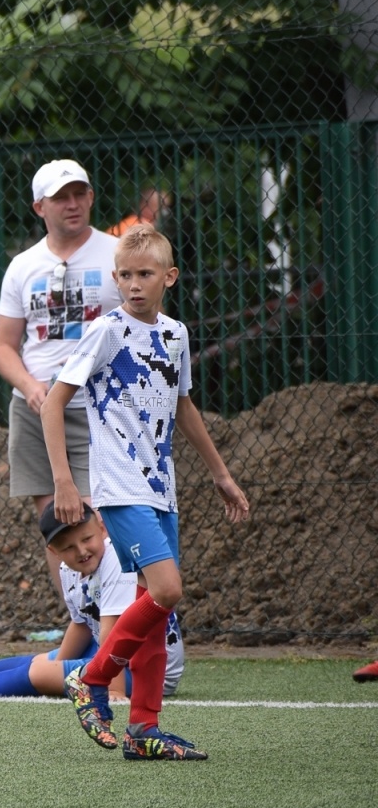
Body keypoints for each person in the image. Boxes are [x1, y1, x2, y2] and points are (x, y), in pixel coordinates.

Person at [43, 224, 250, 760]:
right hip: (118, 488)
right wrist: (66, 481)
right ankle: (91, 681)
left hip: (162, 490)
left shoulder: (176, 335)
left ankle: (145, 729)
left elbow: (183, 407)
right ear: (116, 279)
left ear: (169, 277)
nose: (134, 285)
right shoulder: (106, 332)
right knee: (168, 589)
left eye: (145, 274)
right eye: (126, 276)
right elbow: (51, 403)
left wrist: (220, 473)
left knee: (154, 607)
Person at [0, 160, 123, 601]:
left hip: (100, 408)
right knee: (55, 521)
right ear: (39, 207)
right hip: (34, 409)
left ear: (90, 197)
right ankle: (77, 625)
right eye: (61, 197)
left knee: (95, 519)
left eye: (79, 193)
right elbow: (3, 346)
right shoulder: (22, 266)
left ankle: (112, 623)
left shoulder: (118, 254)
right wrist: (30, 386)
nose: (73, 204)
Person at [0, 504, 186, 700]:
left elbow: (116, 631)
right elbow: (82, 625)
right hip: (109, 651)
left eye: (86, 539)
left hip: (143, 669)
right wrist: (57, 666)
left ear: (102, 527)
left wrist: (114, 691)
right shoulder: (69, 570)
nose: (81, 551)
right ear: (53, 551)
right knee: (38, 662)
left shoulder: (115, 559)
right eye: (68, 548)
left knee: (40, 673)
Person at [107, 187, 171, 238]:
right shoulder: (144, 228)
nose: (165, 212)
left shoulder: (125, 224)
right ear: (146, 206)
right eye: (161, 207)